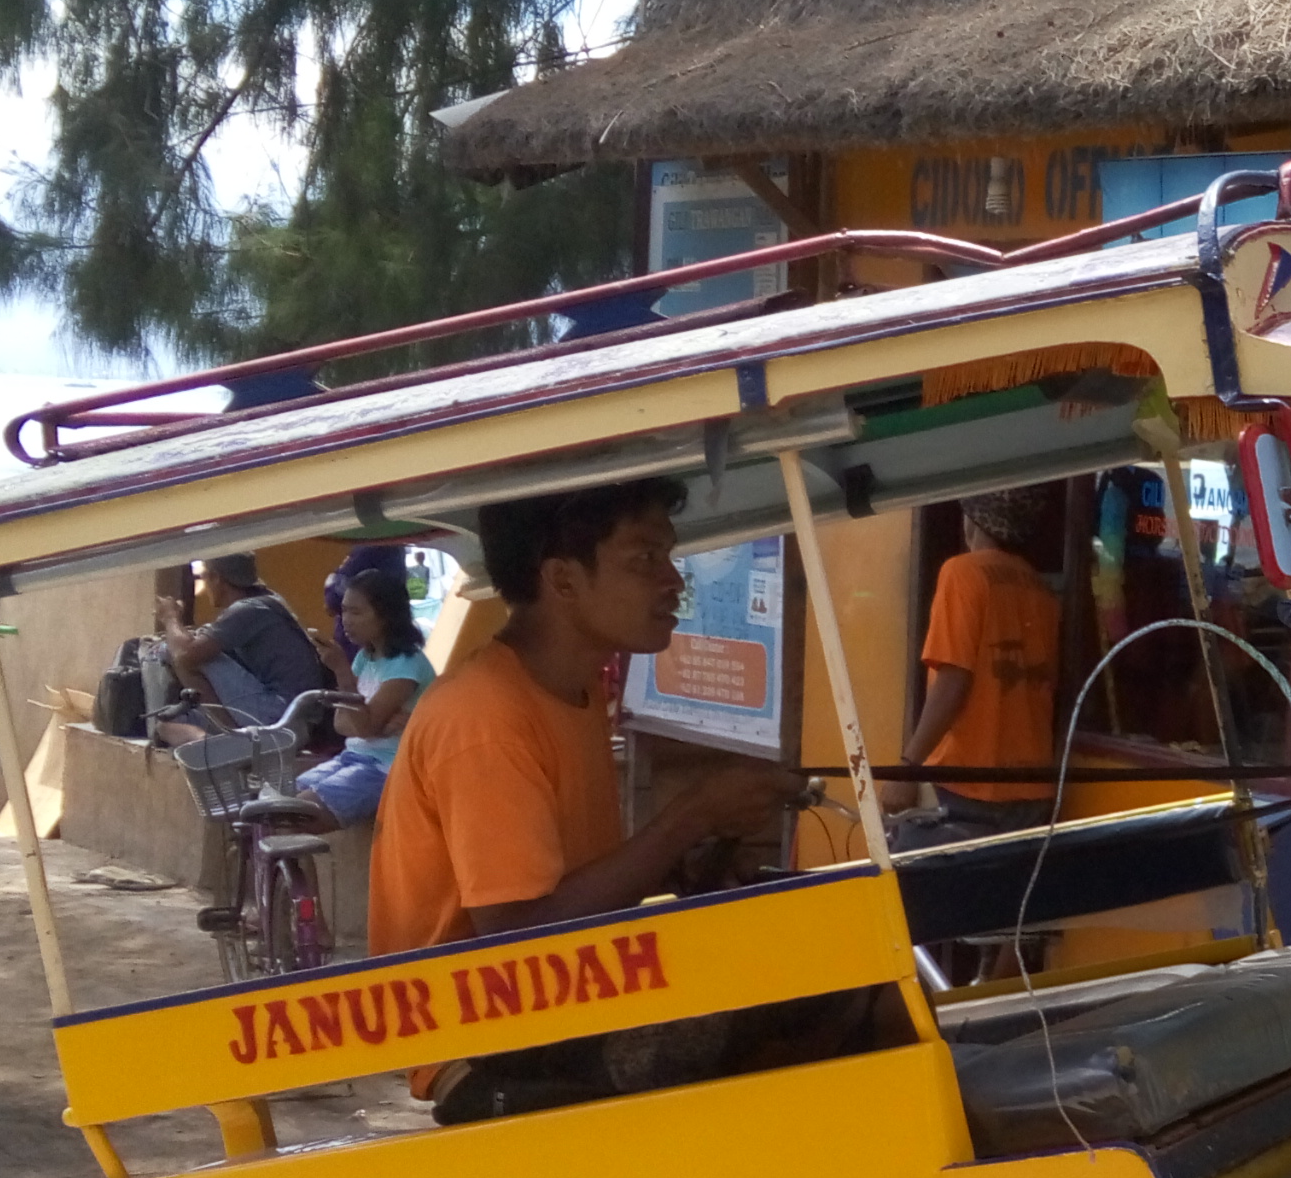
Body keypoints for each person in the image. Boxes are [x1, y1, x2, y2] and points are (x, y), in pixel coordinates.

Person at [368, 478, 809, 1115]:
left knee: (815, 977)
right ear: (564, 580)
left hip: (563, 1009)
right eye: (644, 560)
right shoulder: (486, 717)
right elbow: (517, 937)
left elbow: (577, 887)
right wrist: (688, 819)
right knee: (821, 1011)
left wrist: (690, 856)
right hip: (491, 1047)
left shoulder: (570, 693)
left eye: (668, 557)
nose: (673, 582)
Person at [897, 491, 1064, 827]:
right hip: (1033, 788)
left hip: (969, 784)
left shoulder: (962, 573)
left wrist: (906, 770)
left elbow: (952, 682)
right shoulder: (1040, 590)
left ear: (971, 520)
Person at [291, 562, 435, 828]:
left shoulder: (406, 665)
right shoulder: (365, 657)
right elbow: (343, 724)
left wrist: (342, 671)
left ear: (385, 616)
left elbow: (361, 724)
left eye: (356, 612)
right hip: (352, 758)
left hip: (386, 769)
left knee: (295, 815)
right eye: (344, 611)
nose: (346, 620)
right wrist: (372, 727)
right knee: (281, 801)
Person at [163, 553, 336, 722]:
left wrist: (170, 617)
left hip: (281, 711)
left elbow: (186, 654)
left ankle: (228, 732)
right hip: (293, 710)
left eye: (204, 577)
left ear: (216, 577)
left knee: (175, 653)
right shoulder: (264, 600)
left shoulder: (248, 609)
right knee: (169, 723)